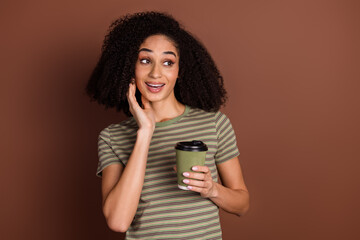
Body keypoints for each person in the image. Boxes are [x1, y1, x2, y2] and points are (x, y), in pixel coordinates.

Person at [86, 11, 249, 239]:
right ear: (128, 68)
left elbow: (242, 204)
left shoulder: (214, 123)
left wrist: (212, 189)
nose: (156, 73)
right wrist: (145, 132)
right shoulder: (112, 137)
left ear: (180, 71)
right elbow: (118, 221)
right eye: (145, 60)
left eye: (167, 62)